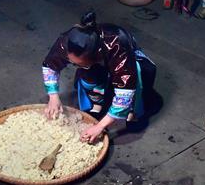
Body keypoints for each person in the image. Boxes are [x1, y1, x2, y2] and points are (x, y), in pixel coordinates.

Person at [43, 11, 157, 143]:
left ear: (96, 55)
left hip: (129, 61)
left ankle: (133, 110)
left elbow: (125, 92)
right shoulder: (66, 42)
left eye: (77, 63)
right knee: (87, 76)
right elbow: (50, 65)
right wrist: (53, 96)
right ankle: (96, 103)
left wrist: (100, 127)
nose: (73, 65)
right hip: (94, 62)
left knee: (136, 76)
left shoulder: (117, 44)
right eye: (72, 62)